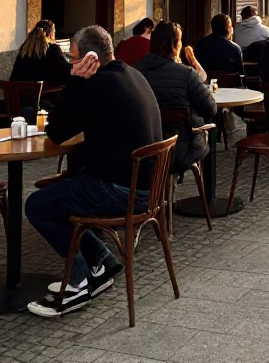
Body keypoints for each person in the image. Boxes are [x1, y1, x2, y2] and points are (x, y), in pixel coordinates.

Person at [25, 25, 162, 316]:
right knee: (67, 190)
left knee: (37, 204)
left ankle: (77, 284)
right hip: (146, 188)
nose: (71, 65)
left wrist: (75, 81)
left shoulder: (98, 85)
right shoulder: (132, 74)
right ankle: (101, 265)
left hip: (120, 191)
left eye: (73, 59)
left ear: (89, 58)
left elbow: (57, 131)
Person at [134, 21, 216, 177]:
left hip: (144, 151)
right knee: (205, 132)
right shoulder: (186, 74)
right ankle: (206, 195)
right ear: (176, 44)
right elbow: (210, 109)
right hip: (179, 152)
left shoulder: (136, 70)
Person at [11, 19, 72, 86]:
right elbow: (66, 72)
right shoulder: (52, 49)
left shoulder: (24, 49)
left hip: (17, 94)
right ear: (51, 35)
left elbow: (13, 78)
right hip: (42, 94)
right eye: (54, 32)